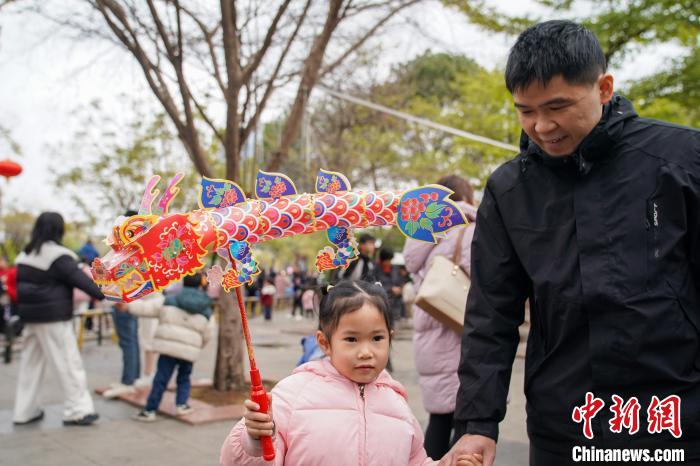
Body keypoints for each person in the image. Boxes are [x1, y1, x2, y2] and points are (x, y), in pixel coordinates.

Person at [440, 20, 700, 466]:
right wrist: (477, 425)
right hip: (566, 426)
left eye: (558, 106)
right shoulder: (509, 190)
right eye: (526, 111)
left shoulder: (681, 162)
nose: (542, 126)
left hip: (679, 423)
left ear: (603, 88)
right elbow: (491, 314)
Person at [220, 280, 483, 466]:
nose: (366, 352)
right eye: (352, 339)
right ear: (324, 342)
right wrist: (255, 440)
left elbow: (415, 460)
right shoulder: (292, 395)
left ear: (390, 338)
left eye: (377, 338)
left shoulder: (396, 402)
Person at [403, 174, 477, 460]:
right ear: (467, 198)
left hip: (430, 335)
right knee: (465, 424)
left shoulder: (421, 234)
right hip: (461, 332)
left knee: (439, 418)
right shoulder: (469, 231)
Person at [13, 212, 103, 426]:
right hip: (53, 318)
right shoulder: (58, 255)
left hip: (30, 318)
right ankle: (77, 410)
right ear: (58, 229)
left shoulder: (25, 255)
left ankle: (24, 411)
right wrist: (104, 294)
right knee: (68, 363)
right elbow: (82, 281)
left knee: (30, 365)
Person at [130, 273, 212, 421]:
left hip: (168, 347)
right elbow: (208, 333)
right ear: (200, 285)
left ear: (183, 283)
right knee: (184, 377)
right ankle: (182, 404)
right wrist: (198, 345)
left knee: (161, 377)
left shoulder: (170, 300)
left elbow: (147, 309)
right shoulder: (205, 307)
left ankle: (150, 410)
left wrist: (126, 306)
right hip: (189, 349)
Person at [103, 210, 142, 399]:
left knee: (128, 341)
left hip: (122, 299)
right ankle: (132, 378)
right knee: (131, 341)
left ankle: (128, 381)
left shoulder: (128, 249)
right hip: (127, 298)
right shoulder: (137, 247)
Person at [375, 247, 404, 324]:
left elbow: (399, 280)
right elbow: (374, 285)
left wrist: (400, 288)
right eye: (388, 260)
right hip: (381, 303)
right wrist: (390, 289)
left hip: (394, 304)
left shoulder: (394, 268)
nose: (389, 262)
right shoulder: (375, 269)